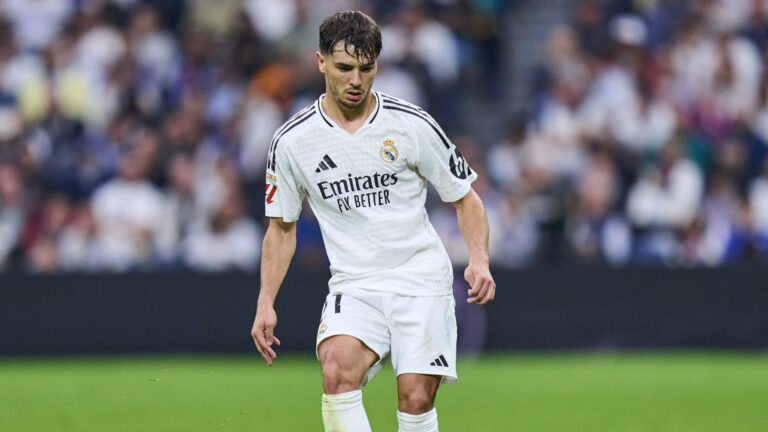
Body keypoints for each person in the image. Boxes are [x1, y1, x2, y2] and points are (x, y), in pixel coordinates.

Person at [251, 10, 495, 432]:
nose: (356, 80)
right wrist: (265, 300)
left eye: (366, 69)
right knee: (335, 370)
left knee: (416, 398)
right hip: (355, 283)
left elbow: (465, 197)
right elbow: (281, 227)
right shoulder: (292, 141)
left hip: (418, 279)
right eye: (344, 68)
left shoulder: (411, 124)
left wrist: (479, 258)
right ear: (321, 61)